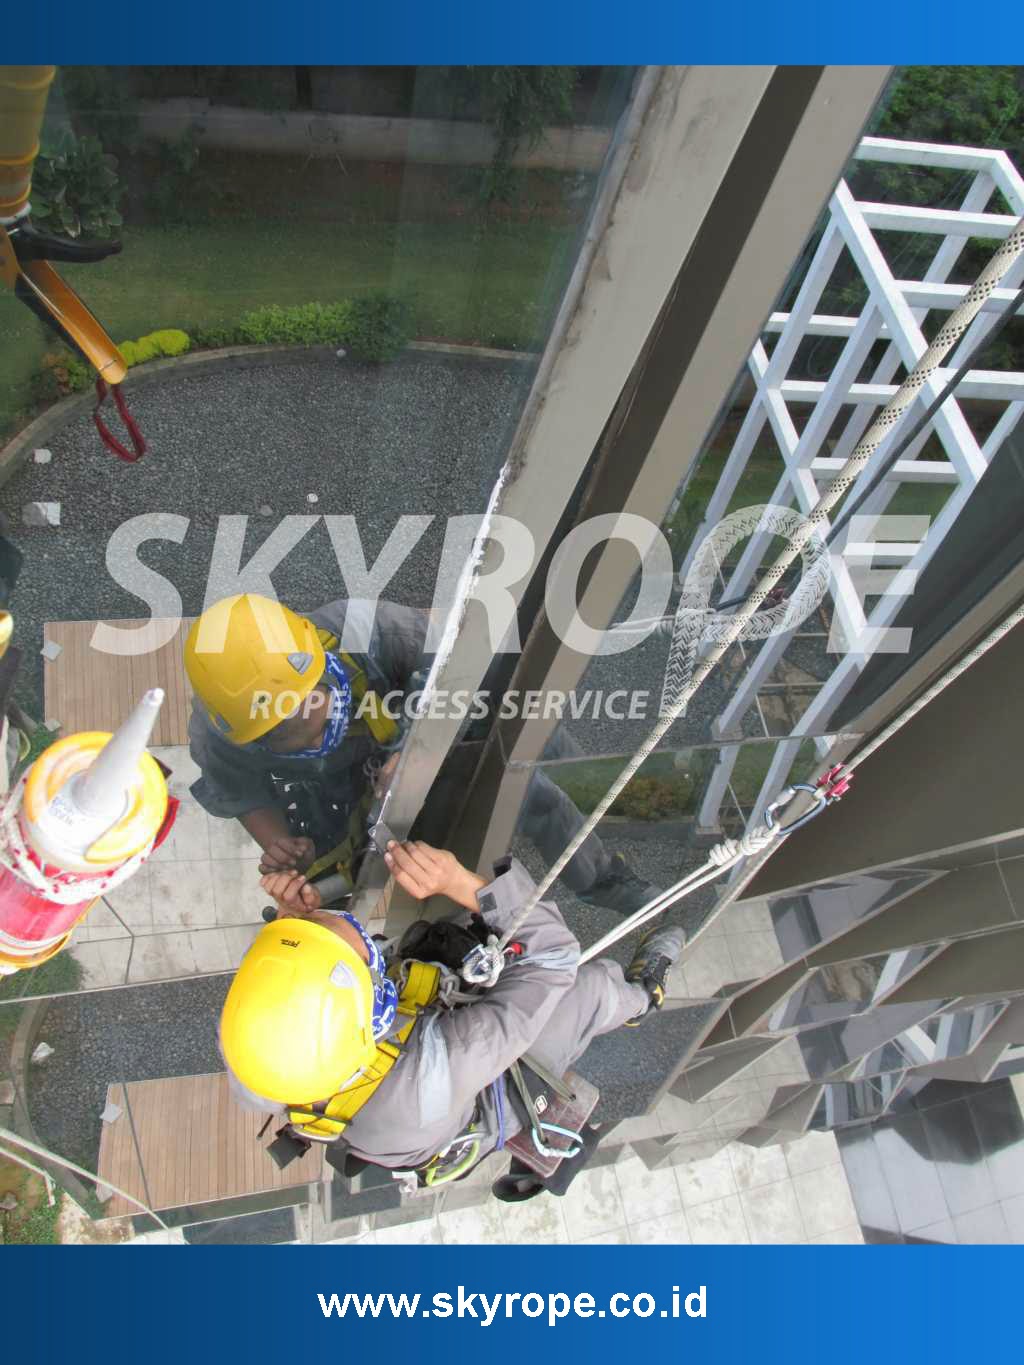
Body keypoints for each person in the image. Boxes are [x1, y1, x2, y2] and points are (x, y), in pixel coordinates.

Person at [219, 837, 685, 1185]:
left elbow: (295, 981)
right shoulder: (441, 1064)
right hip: (469, 1098)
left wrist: (296, 920)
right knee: (587, 987)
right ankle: (642, 997)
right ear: (375, 1014)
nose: (342, 923)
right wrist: (461, 883)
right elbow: (554, 959)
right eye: (359, 948)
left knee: (446, 941)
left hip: (379, 1113)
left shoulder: (250, 1042)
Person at [185, 591, 660, 911]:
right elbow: (242, 793)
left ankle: (602, 874)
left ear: (321, 662)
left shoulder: (376, 632)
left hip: (424, 733)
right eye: (297, 743)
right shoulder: (223, 731)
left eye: (320, 720)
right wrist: (281, 845)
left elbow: (460, 684)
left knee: (532, 775)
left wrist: (418, 753)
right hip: (338, 797)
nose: (318, 741)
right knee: (321, 893)